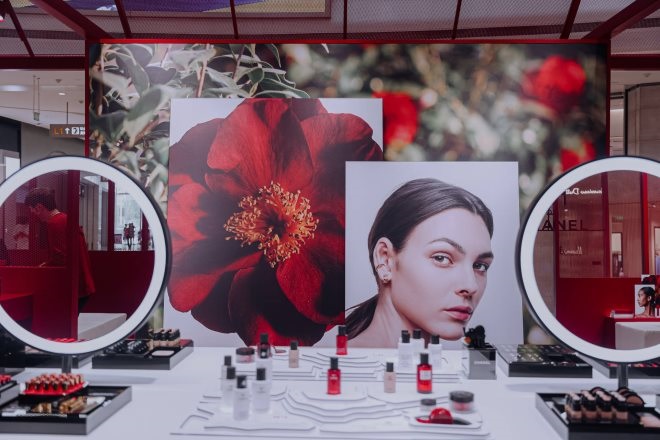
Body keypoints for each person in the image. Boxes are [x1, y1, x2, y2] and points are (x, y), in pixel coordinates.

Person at [346, 178, 494, 347]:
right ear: (385, 260)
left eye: (480, 266)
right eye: (441, 258)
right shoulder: (341, 361)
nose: (471, 286)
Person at [25, 187, 95, 311]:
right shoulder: (65, 219)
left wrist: (43, 267)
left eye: (31, 209)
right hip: (82, 285)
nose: (32, 213)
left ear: (39, 207)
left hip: (74, 288)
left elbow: (61, 258)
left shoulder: (55, 224)